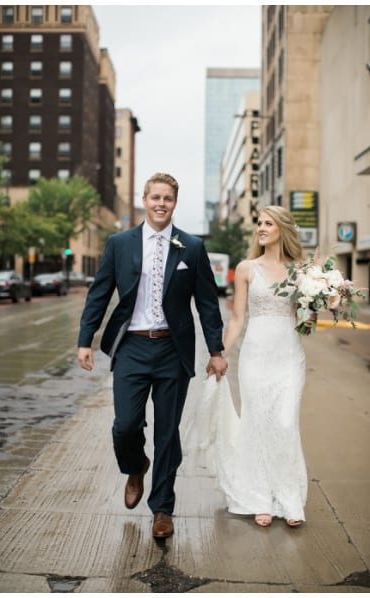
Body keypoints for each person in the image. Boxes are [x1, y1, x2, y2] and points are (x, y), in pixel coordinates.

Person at [77, 172, 227, 539]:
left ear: (175, 203)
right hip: (131, 346)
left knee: (167, 433)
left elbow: (207, 302)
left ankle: (162, 508)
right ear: (145, 199)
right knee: (125, 425)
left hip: (172, 350)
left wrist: (216, 349)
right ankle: (135, 464)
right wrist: (85, 339)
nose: (161, 204)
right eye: (155, 197)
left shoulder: (191, 246)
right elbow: (99, 293)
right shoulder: (120, 243)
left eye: (168, 199)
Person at [213, 205, 307, 528]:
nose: (261, 228)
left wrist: (323, 304)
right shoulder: (245, 269)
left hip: (289, 355)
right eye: (259, 223)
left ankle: (290, 498)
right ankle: (260, 497)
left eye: (268, 223)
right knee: (257, 422)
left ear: (282, 228)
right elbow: (238, 318)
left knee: (284, 422)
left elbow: (306, 322)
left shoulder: (300, 271)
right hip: (255, 354)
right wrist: (221, 353)